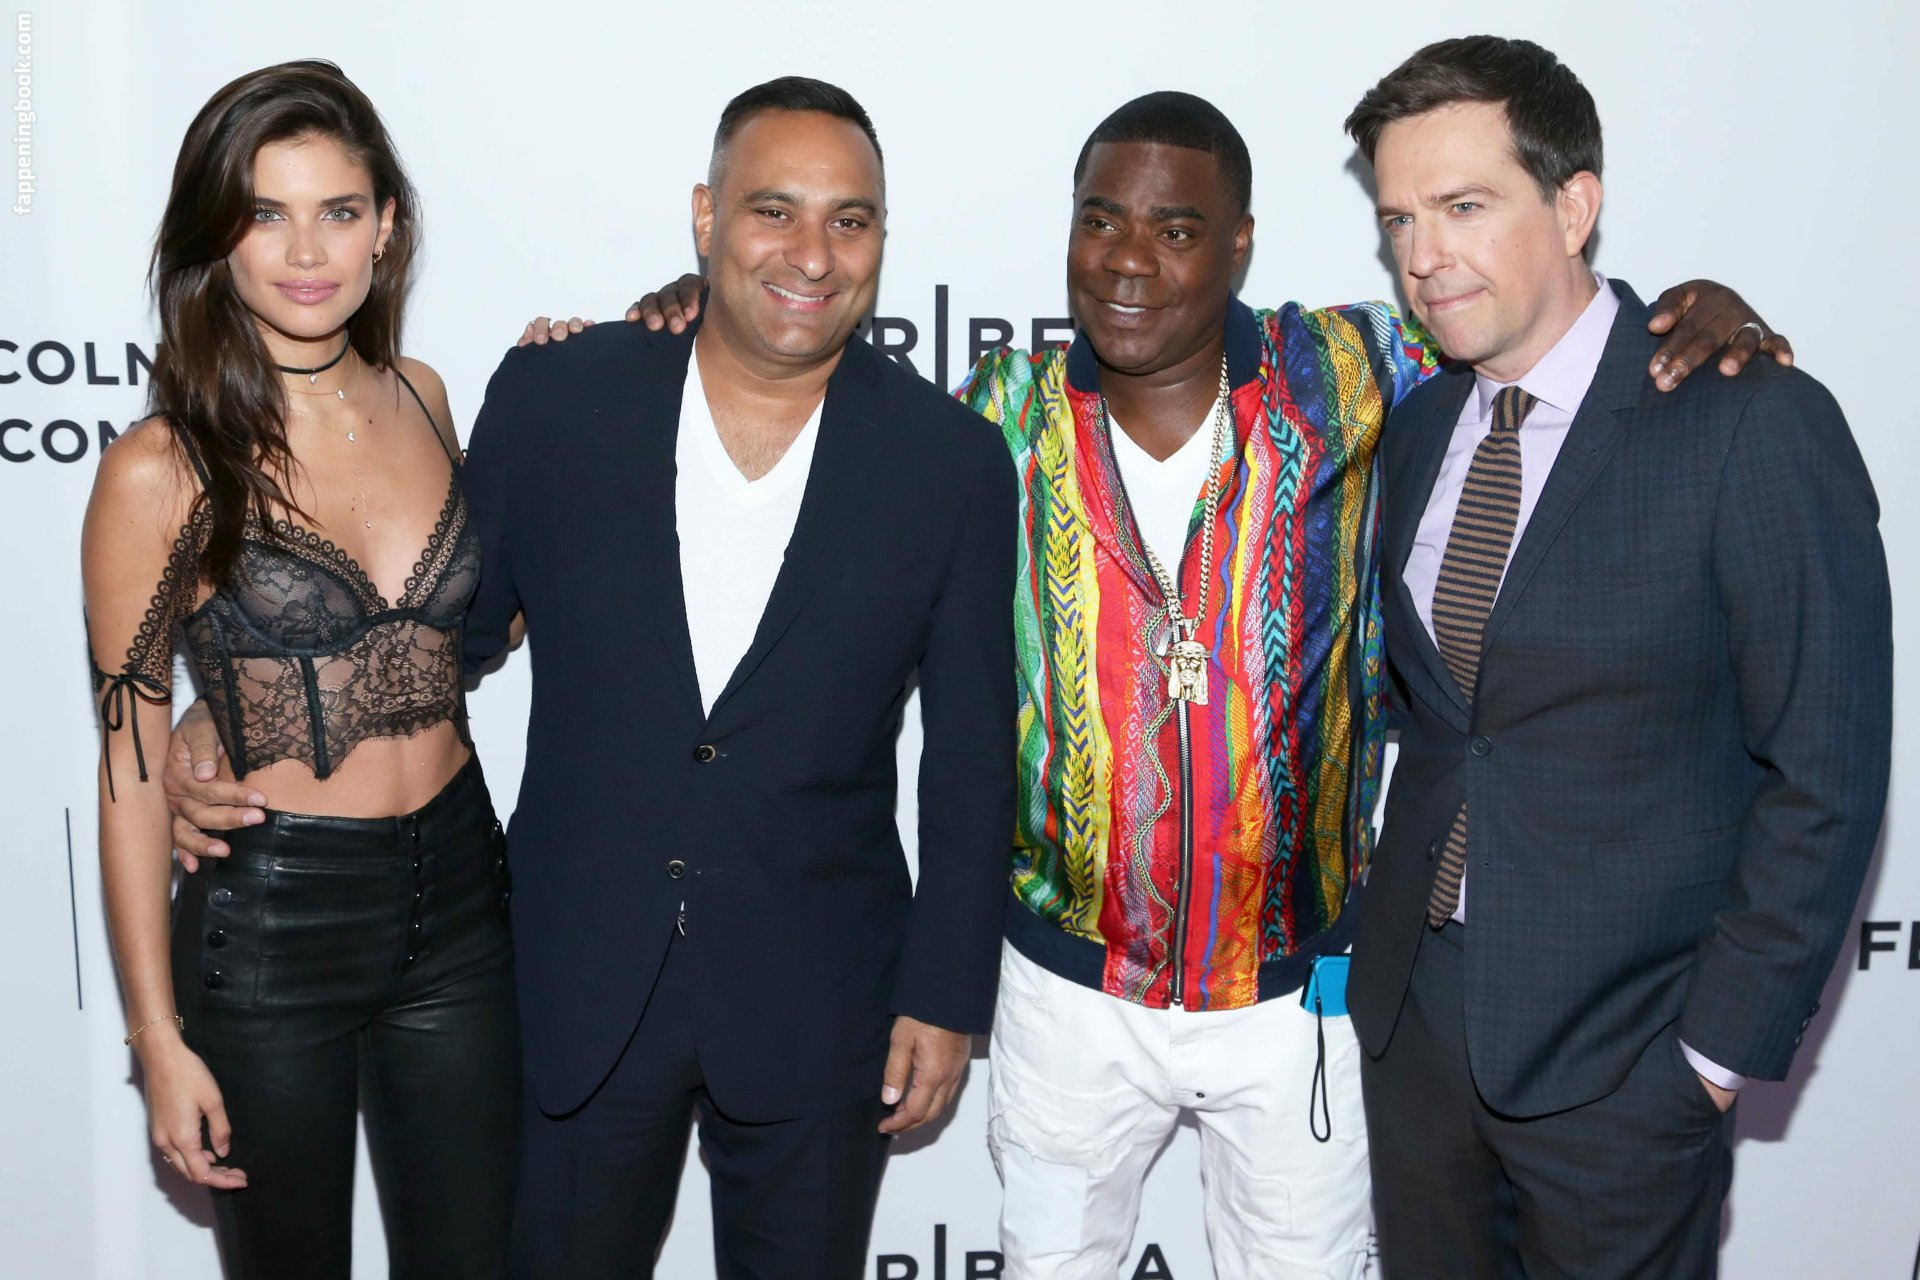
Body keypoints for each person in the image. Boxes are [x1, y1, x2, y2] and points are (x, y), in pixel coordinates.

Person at [587, 90, 1781, 1279]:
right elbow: (803, 371)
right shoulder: (995, 414)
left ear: (1240, 242)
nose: (1129, 260)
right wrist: (689, 308)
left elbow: (1536, 320)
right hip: (1065, 987)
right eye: (1101, 220)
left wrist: (1686, 315)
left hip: (1299, 995)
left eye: (1176, 229)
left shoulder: (1357, 369)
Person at [168, 75, 1015, 1279]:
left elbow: (975, 754)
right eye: (772, 210)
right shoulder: (561, 397)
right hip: (573, 978)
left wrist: (945, 992)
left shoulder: (954, 462)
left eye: (850, 219)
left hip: (822, 993)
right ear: (706, 216)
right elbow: (438, 636)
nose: (813, 254)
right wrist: (228, 709)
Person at [1342, 36, 1891, 1279]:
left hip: (1627, 1059)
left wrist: (1709, 1060)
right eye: (1399, 219)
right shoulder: (1419, 427)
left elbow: (1827, 770)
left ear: (1574, 204)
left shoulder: (1748, 420)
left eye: (1464, 206)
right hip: (1417, 1032)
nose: (1423, 255)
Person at [81, 60, 519, 1280]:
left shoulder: (426, 398)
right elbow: (129, 769)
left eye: (338, 209)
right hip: (275, 917)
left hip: (462, 896)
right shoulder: (161, 469)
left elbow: (466, 628)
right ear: (218, 236)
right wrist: (156, 1036)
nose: (308, 250)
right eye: (266, 213)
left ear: (387, 224)